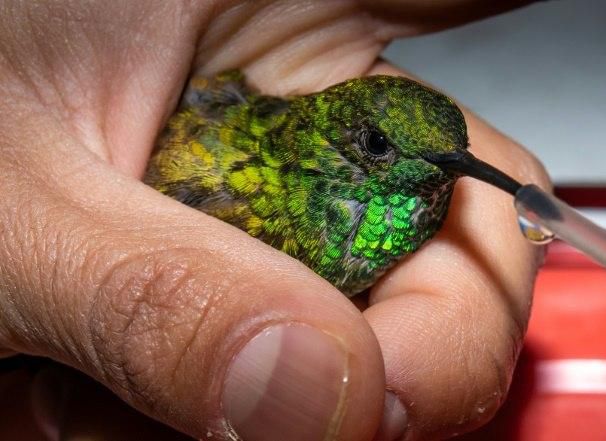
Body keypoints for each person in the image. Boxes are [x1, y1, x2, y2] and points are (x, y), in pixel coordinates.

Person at [0, 1, 549, 440]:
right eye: (379, 146)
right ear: (333, 151)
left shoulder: (420, 195)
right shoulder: (274, 211)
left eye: (457, 155)